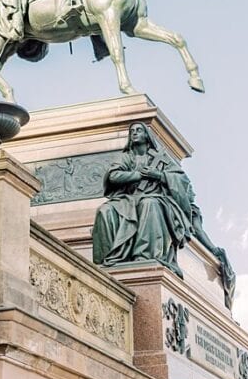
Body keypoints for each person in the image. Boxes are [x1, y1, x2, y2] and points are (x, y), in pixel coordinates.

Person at [92, 123, 234, 302]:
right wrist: (138, 175)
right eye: (132, 131)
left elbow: (181, 181)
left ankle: (144, 254)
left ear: (147, 135)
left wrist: (157, 175)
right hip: (128, 200)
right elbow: (113, 176)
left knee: (149, 203)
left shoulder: (161, 158)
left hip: (157, 199)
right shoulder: (126, 158)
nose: (135, 133)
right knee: (105, 210)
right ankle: (112, 258)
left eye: (139, 130)